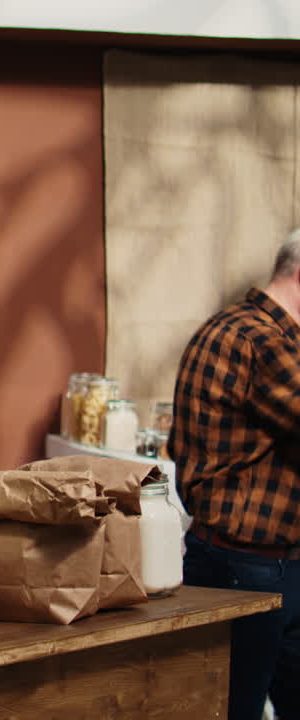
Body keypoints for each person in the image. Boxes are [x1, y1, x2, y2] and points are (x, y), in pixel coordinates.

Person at [170, 230, 300, 720]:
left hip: (261, 563)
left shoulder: (240, 326)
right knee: (231, 708)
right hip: (247, 568)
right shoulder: (260, 341)